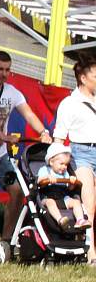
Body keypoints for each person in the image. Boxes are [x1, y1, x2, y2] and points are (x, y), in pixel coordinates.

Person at [0, 49, 50, 249]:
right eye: (0, 69)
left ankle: (6, 240)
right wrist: (4, 137)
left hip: (0, 156)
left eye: (7, 69)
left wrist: (43, 132)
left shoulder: (12, 92)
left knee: (17, 191)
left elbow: (29, 114)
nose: (4, 73)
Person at [52, 55, 96, 263]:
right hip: (80, 153)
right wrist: (57, 162)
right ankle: (90, 250)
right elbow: (59, 138)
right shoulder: (69, 103)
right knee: (89, 203)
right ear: (83, 78)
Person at [37, 143, 89, 233]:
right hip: (48, 196)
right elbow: (39, 182)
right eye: (61, 164)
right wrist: (47, 178)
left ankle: (80, 220)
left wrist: (72, 182)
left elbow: (70, 189)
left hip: (63, 197)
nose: (64, 167)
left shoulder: (65, 173)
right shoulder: (45, 170)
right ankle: (60, 219)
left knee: (76, 202)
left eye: (66, 164)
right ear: (51, 162)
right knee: (50, 202)